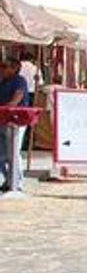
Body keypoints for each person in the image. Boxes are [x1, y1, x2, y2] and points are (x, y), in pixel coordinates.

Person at [0, 58, 30, 192]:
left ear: (14, 68)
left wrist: (7, 107)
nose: (2, 69)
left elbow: (17, 98)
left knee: (12, 152)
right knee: (2, 154)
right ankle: (8, 180)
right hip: (2, 120)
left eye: (5, 66)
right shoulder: (3, 81)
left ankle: (17, 183)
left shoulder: (19, 80)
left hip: (15, 121)